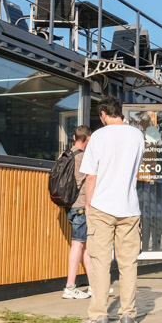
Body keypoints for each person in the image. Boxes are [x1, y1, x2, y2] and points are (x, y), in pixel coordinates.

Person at [79, 96, 144, 323]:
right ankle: (128, 315)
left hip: (102, 207)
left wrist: (88, 206)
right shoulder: (137, 135)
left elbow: (91, 176)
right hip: (129, 207)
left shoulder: (98, 136)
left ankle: (99, 317)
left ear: (104, 114)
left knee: (100, 263)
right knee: (128, 264)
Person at [62, 125, 93, 300]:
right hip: (81, 205)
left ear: (74, 137)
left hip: (70, 205)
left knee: (85, 245)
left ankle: (94, 286)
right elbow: (91, 180)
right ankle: (70, 286)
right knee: (78, 244)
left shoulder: (64, 155)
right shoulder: (84, 158)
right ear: (87, 139)